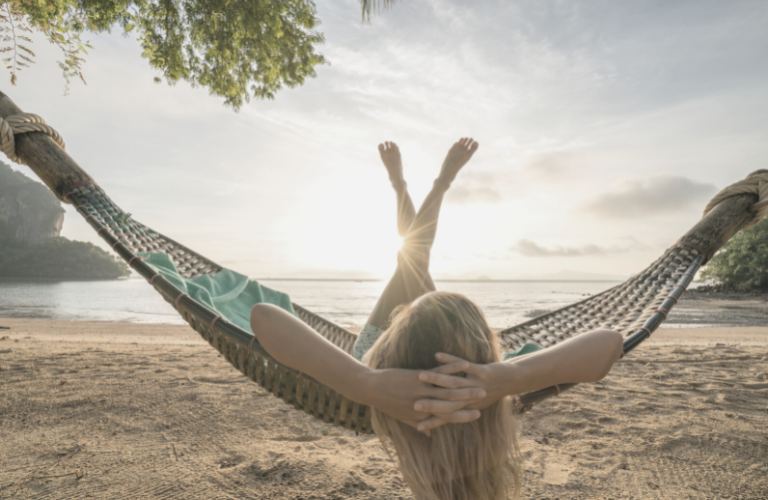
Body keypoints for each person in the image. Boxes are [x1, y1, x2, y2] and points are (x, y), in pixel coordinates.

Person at [250, 138, 624, 499]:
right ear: (487, 350)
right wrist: (510, 377)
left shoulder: (384, 384)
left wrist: (363, 381)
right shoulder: (486, 384)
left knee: (413, 258)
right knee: (413, 258)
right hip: (432, 353)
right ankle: (428, 184)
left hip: (384, 354)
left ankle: (419, 185)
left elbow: (264, 318)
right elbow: (610, 342)